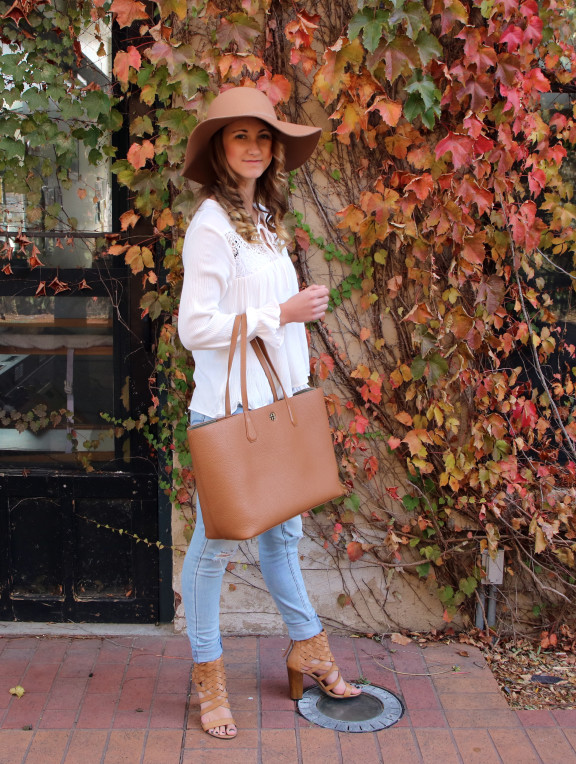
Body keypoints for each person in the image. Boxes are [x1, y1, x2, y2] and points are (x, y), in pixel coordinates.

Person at [177, 87, 362, 740]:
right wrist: (279, 313)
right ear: (220, 150)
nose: (254, 147)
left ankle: (308, 648)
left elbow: (274, 324)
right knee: (213, 550)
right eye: (240, 137)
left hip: (278, 412)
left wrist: (295, 315)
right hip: (230, 420)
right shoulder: (210, 225)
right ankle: (208, 675)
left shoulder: (265, 222)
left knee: (283, 538)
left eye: (264, 137)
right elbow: (192, 327)